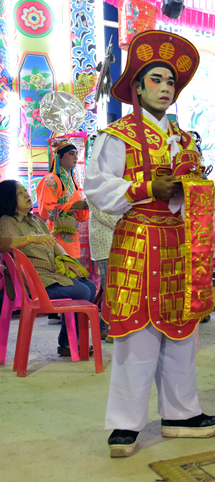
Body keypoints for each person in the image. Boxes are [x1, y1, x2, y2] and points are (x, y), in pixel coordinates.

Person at [84, 30, 215, 457]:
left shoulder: (184, 138)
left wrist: (188, 187)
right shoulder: (115, 136)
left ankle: (181, 413)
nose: (165, 88)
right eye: (157, 80)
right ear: (137, 86)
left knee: (182, 331)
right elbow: (97, 189)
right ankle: (125, 424)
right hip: (138, 242)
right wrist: (147, 188)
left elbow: (197, 192)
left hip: (180, 243)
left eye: (171, 83)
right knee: (135, 337)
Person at [0, 180, 96, 356]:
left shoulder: (35, 220)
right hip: (30, 284)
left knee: (89, 286)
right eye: (20, 193)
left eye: (25, 191)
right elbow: (4, 244)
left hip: (48, 277)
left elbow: (53, 244)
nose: (27, 195)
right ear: (8, 199)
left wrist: (65, 258)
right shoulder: (7, 221)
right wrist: (30, 239)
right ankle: (69, 343)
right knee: (82, 291)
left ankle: (70, 342)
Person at [35, 139, 89, 260]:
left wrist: (85, 206)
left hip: (72, 232)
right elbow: (46, 211)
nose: (76, 156)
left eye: (76, 153)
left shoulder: (72, 182)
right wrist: (73, 206)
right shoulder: (51, 180)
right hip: (56, 234)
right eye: (71, 153)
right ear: (59, 156)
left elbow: (79, 212)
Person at [87, 197, 121, 342]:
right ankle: (111, 331)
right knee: (112, 289)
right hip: (106, 245)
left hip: (116, 242)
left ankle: (104, 326)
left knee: (113, 288)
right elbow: (106, 216)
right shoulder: (96, 185)